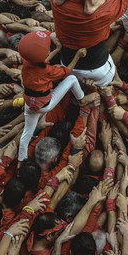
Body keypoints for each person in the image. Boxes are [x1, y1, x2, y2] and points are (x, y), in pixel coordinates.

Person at [17, 30, 86, 161]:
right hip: (45, 104)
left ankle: (21, 160)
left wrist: (57, 49)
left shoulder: (26, 64)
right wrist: (77, 55)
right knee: (71, 79)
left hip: (29, 104)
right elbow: (66, 71)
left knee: (26, 134)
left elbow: (40, 61)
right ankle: (82, 98)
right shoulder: (47, 71)